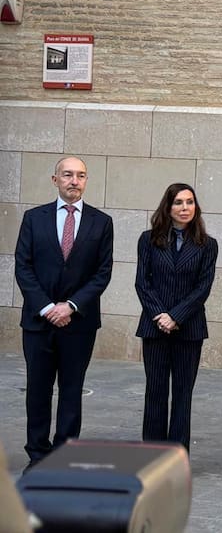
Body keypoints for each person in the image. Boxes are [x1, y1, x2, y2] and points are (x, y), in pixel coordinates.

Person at [14, 156, 114, 469]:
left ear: (86, 181)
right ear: (55, 179)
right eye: (68, 175)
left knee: (72, 391)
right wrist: (46, 307)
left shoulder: (101, 222)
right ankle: (38, 456)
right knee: (38, 390)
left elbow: (102, 272)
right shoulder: (34, 218)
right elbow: (23, 266)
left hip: (79, 323)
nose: (74, 181)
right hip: (38, 321)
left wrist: (70, 306)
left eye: (81, 175)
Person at [134, 183, 219, 449]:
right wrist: (160, 315)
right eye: (179, 203)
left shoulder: (207, 245)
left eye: (190, 202)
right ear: (168, 207)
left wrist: (176, 317)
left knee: (182, 395)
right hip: (154, 327)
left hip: (189, 328)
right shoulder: (148, 240)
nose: (185, 208)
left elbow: (202, 288)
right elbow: (142, 283)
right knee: (156, 392)